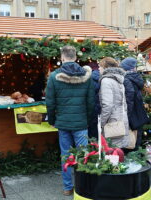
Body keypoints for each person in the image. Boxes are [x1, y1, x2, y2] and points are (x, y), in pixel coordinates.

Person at [45, 45, 95, 196]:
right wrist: (86, 119)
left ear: (62, 57)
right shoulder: (86, 76)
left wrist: (52, 120)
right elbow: (91, 102)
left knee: (66, 155)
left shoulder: (54, 76)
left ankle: (68, 188)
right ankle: (83, 186)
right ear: (75, 57)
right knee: (84, 155)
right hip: (81, 123)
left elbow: (50, 103)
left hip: (63, 123)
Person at [99, 57, 129, 148]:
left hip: (112, 122)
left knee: (111, 151)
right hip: (122, 119)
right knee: (118, 152)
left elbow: (107, 105)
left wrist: (102, 123)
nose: (98, 69)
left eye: (100, 66)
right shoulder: (119, 79)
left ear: (105, 67)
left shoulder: (106, 81)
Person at [120, 57, 149, 150]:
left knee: (130, 139)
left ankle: (131, 158)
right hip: (139, 112)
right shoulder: (136, 78)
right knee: (137, 136)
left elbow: (129, 99)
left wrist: (126, 115)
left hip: (132, 112)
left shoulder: (126, 80)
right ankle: (136, 157)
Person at [88, 62, 101, 139]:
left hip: (93, 110)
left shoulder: (89, 79)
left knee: (92, 134)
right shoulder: (102, 77)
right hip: (100, 109)